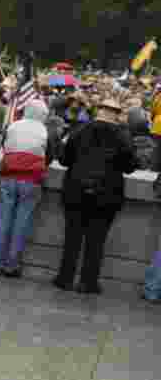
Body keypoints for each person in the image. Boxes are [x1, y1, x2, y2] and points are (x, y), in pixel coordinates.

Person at [53, 98, 137, 294]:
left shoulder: (80, 130)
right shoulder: (123, 136)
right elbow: (131, 167)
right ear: (116, 114)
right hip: (107, 195)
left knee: (72, 237)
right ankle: (88, 282)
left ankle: (65, 278)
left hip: (75, 190)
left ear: (99, 110)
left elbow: (64, 160)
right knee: (96, 240)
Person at [0, 100, 52, 277]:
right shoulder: (46, 131)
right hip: (31, 180)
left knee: (2, 221)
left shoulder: (13, 126)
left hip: (8, 176)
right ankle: (12, 265)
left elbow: (4, 146)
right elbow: (51, 155)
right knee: (21, 223)